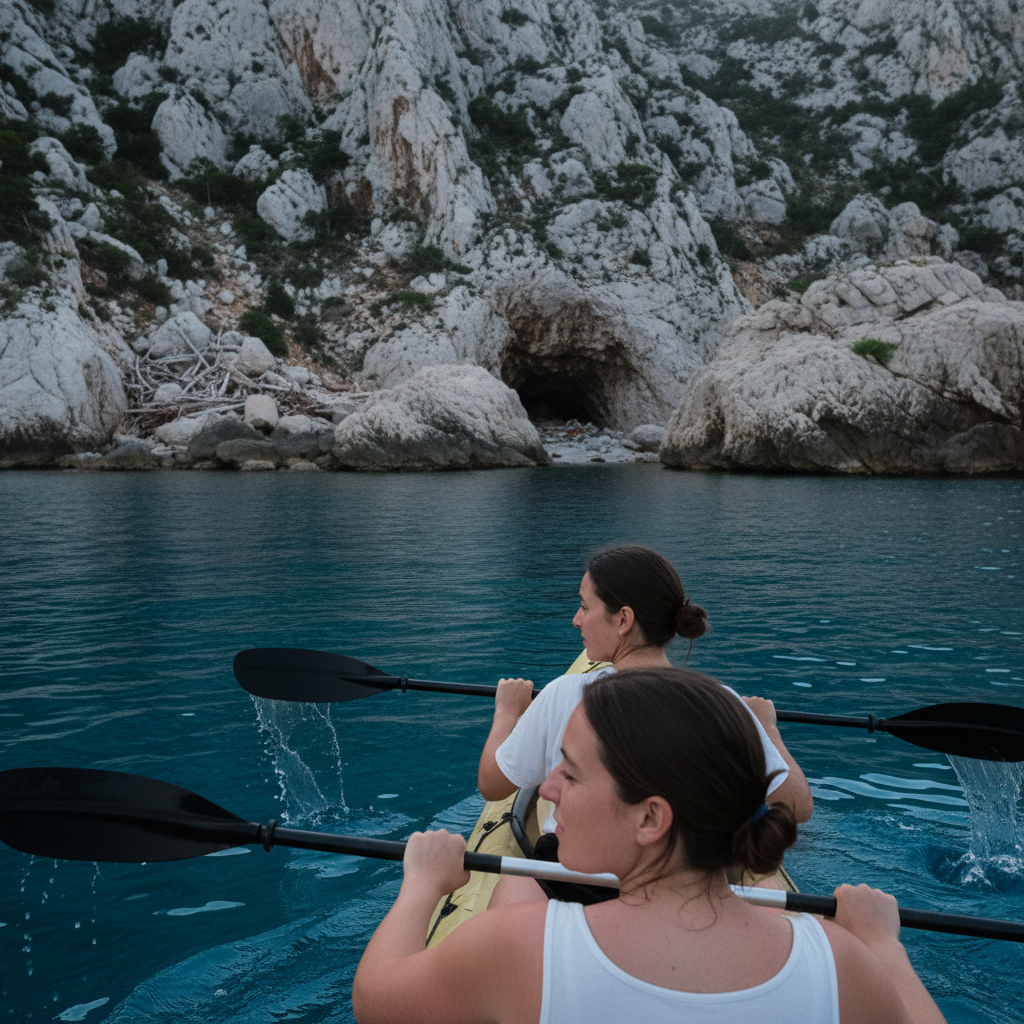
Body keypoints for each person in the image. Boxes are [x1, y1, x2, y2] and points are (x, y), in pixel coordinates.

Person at [352, 668, 946, 1024]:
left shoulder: (516, 947)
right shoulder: (840, 966)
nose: (549, 787)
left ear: (651, 819)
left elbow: (376, 1001)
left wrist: (421, 885)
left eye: (571, 774)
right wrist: (883, 946)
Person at [477, 545, 813, 898]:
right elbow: (797, 806)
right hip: (687, 891)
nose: (576, 619)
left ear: (623, 619)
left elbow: (492, 785)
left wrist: (507, 713)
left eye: (585, 606)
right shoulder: (722, 701)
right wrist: (769, 729)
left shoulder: (565, 693)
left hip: (583, 886)